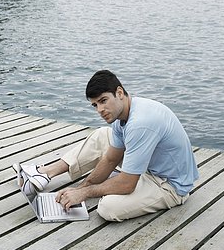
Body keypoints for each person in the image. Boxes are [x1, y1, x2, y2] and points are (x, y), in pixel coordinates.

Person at [16, 70, 198, 222]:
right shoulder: (123, 115)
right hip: (148, 169)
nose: (100, 110)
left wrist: (86, 193)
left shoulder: (141, 123)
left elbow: (127, 184)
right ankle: (45, 173)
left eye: (103, 101)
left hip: (169, 185)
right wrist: (79, 189)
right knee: (102, 135)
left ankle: (121, 185)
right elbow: (111, 158)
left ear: (119, 93)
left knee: (108, 208)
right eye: (95, 105)